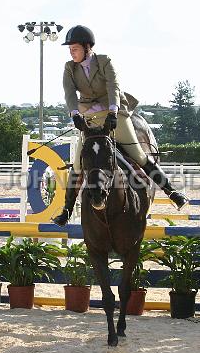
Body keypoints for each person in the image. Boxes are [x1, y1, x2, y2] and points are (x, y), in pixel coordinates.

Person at [51, 25, 189, 226]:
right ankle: (66, 210)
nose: (71, 52)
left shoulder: (104, 61)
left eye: (75, 48)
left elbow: (112, 86)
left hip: (112, 113)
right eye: (70, 49)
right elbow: (69, 92)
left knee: (139, 156)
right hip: (89, 116)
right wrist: (74, 114)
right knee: (79, 164)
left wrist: (114, 111)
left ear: (87, 47)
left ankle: (172, 192)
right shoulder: (69, 67)